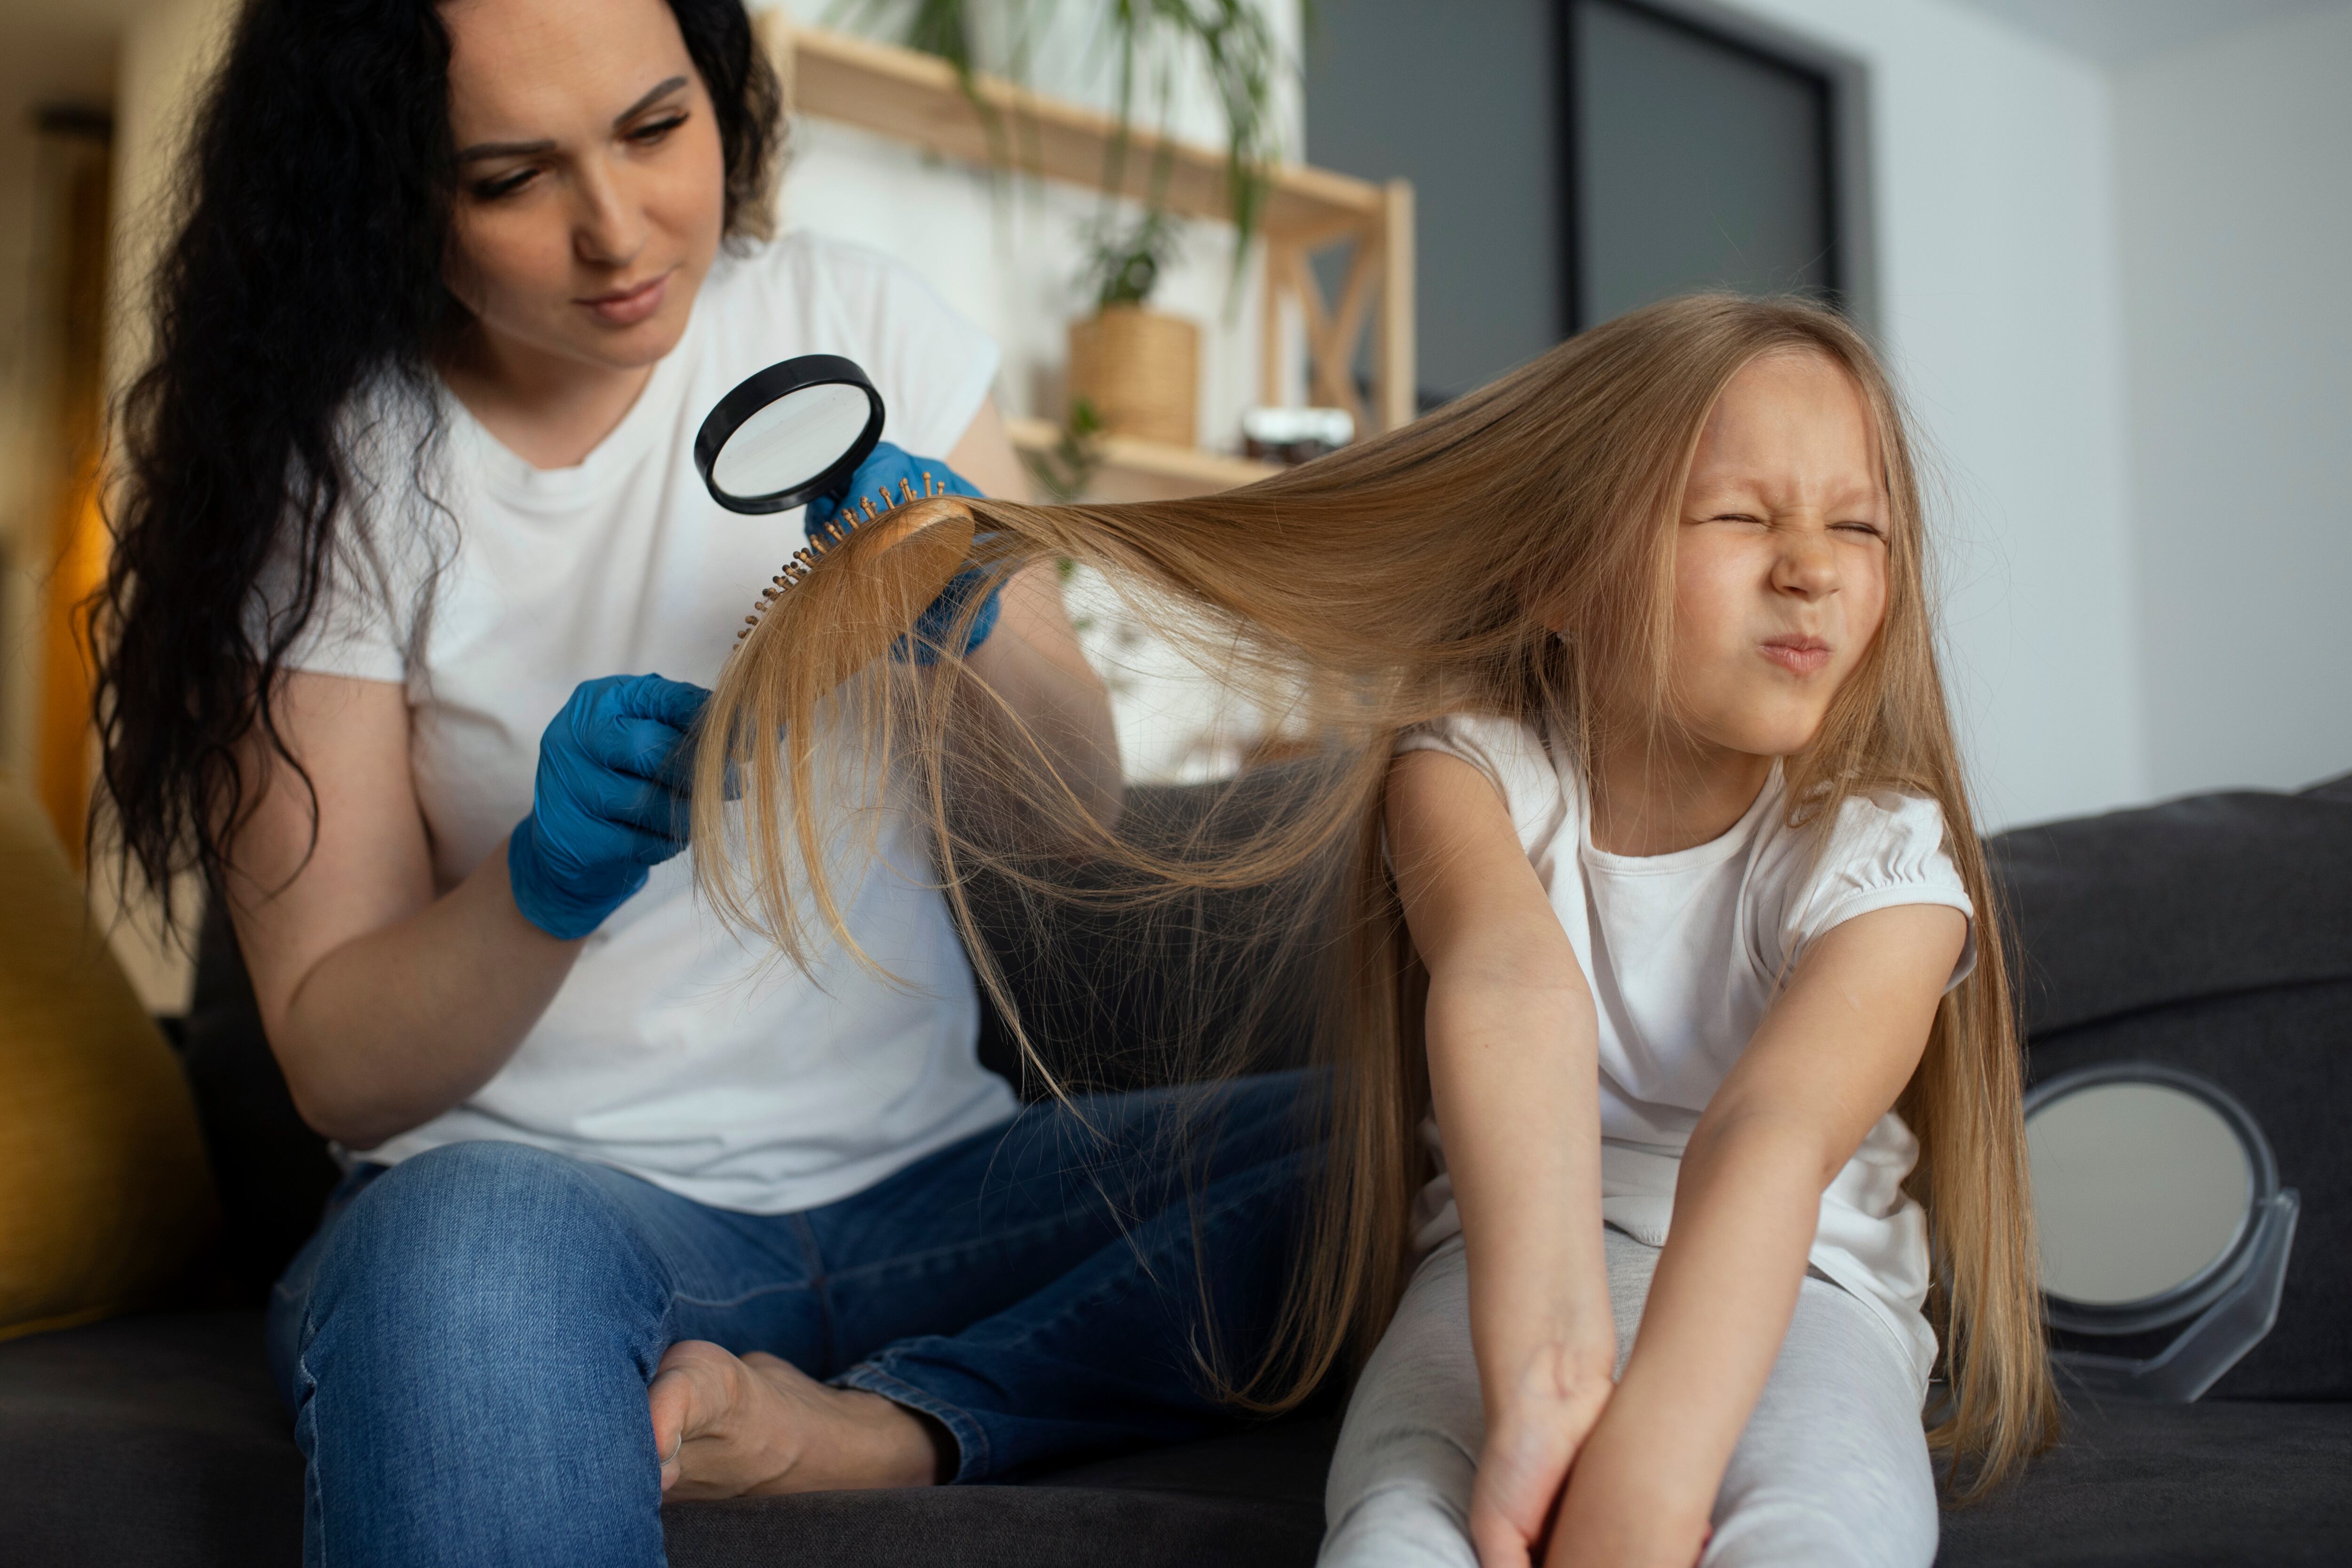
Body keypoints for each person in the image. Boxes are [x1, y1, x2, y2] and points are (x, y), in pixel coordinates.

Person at [91, 1, 1315, 1564]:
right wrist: (545, 884)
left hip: (946, 1188)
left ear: (721, 92)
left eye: (658, 128)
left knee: (1438, 1141)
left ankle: (893, 1431)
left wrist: (977, 635)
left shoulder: (865, 320)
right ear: (381, 190)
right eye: (509, 177)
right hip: (559, 1222)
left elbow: (1067, 818)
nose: (618, 230)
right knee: (455, 1267)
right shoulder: (338, 470)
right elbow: (339, 1062)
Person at [700, 294, 2061, 1567]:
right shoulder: (1466, 768)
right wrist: (1547, 1373)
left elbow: (1771, 1137)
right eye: (1739, 516)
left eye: (1861, 529)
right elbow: (1510, 986)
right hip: (1506, 1266)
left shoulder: (1884, 862)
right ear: (1561, 578)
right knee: (1403, 1529)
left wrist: (1649, 1459)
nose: (1814, 571)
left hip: (1803, 1294)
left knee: (1820, 1534)